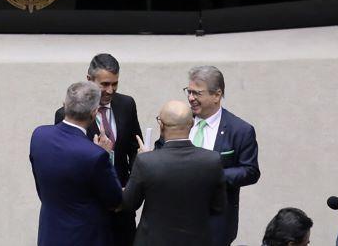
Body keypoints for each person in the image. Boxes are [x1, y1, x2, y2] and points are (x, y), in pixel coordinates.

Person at [53, 54, 144, 246]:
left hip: (121, 201)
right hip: (90, 203)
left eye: (115, 84)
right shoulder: (67, 114)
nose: (110, 90)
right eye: (104, 84)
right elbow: (65, 159)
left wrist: (132, 185)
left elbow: (135, 147)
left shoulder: (127, 105)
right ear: (89, 80)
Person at [29, 81, 122, 246]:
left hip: (50, 234)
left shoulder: (39, 135)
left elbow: (41, 186)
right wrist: (106, 154)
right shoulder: (95, 155)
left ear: (65, 105)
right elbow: (114, 200)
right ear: (94, 114)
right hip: (85, 237)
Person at [120, 100, 226, 245]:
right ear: (192, 124)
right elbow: (218, 207)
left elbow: (129, 203)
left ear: (161, 125)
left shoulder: (146, 162)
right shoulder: (212, 160)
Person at [182, 66, 259, 246]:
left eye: (197, 93)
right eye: (189, 91)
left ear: (217, 95)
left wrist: (213, 176)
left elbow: (251, 171)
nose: (191, 98)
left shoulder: (240, 130)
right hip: (178, 220)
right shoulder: (179, 121)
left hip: (216, 221)